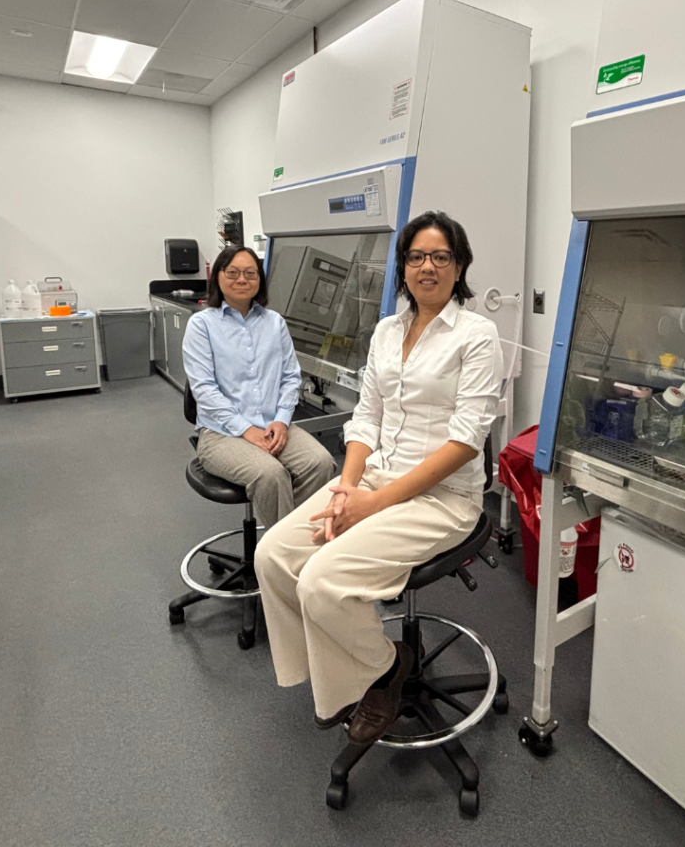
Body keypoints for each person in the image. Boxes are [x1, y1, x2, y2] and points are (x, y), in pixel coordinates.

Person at [254, 211, 502, 746]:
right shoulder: (388, 331)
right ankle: (335, 680)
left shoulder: (477, 336)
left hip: (442, 499)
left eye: (441, 257)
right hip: (372, 478)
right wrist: (347, 485)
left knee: (322, 580)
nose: (427, 267)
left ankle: (385, 670)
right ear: (403, 267)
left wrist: (374, 503)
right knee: (272, 555)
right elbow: (366, 415)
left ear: (459, 268)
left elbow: (464, 443)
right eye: (416, 256)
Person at [181, 245, 336, 530]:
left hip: (271, 425)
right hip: (220, 433)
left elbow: (291, 377)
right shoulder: (201, 325)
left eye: (251, 273)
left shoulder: (274, 323)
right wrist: (245, 429)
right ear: (218, 277)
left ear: (259, 280)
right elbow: (203, 389)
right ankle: (281, 559)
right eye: (234, 273)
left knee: (321, 462)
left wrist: (281, 420)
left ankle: (297, 542)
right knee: (270, 475)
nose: (242, 279)